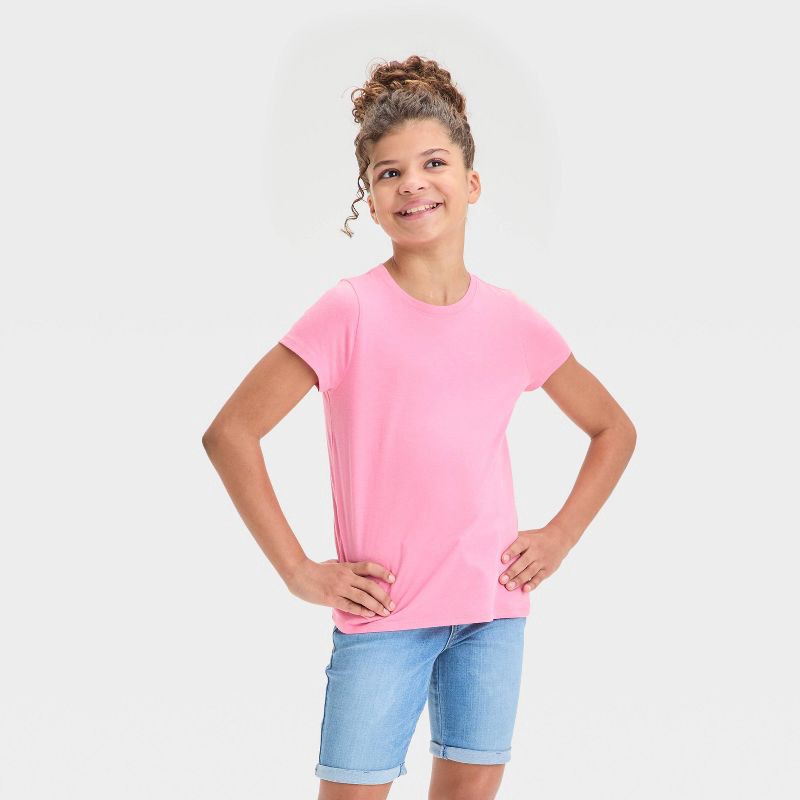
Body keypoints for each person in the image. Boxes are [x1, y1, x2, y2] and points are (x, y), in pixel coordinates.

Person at [203, 54, 636, 800]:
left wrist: (560, 535)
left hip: (491, 613)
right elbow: (231, 432)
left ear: (471, 182)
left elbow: (612, 428)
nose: (412, 183)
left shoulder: (512, 321)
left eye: (434, 163)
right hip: (385, 615)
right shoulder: (349, 310)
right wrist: (299, 571)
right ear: (370, 201)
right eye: (388, 173)